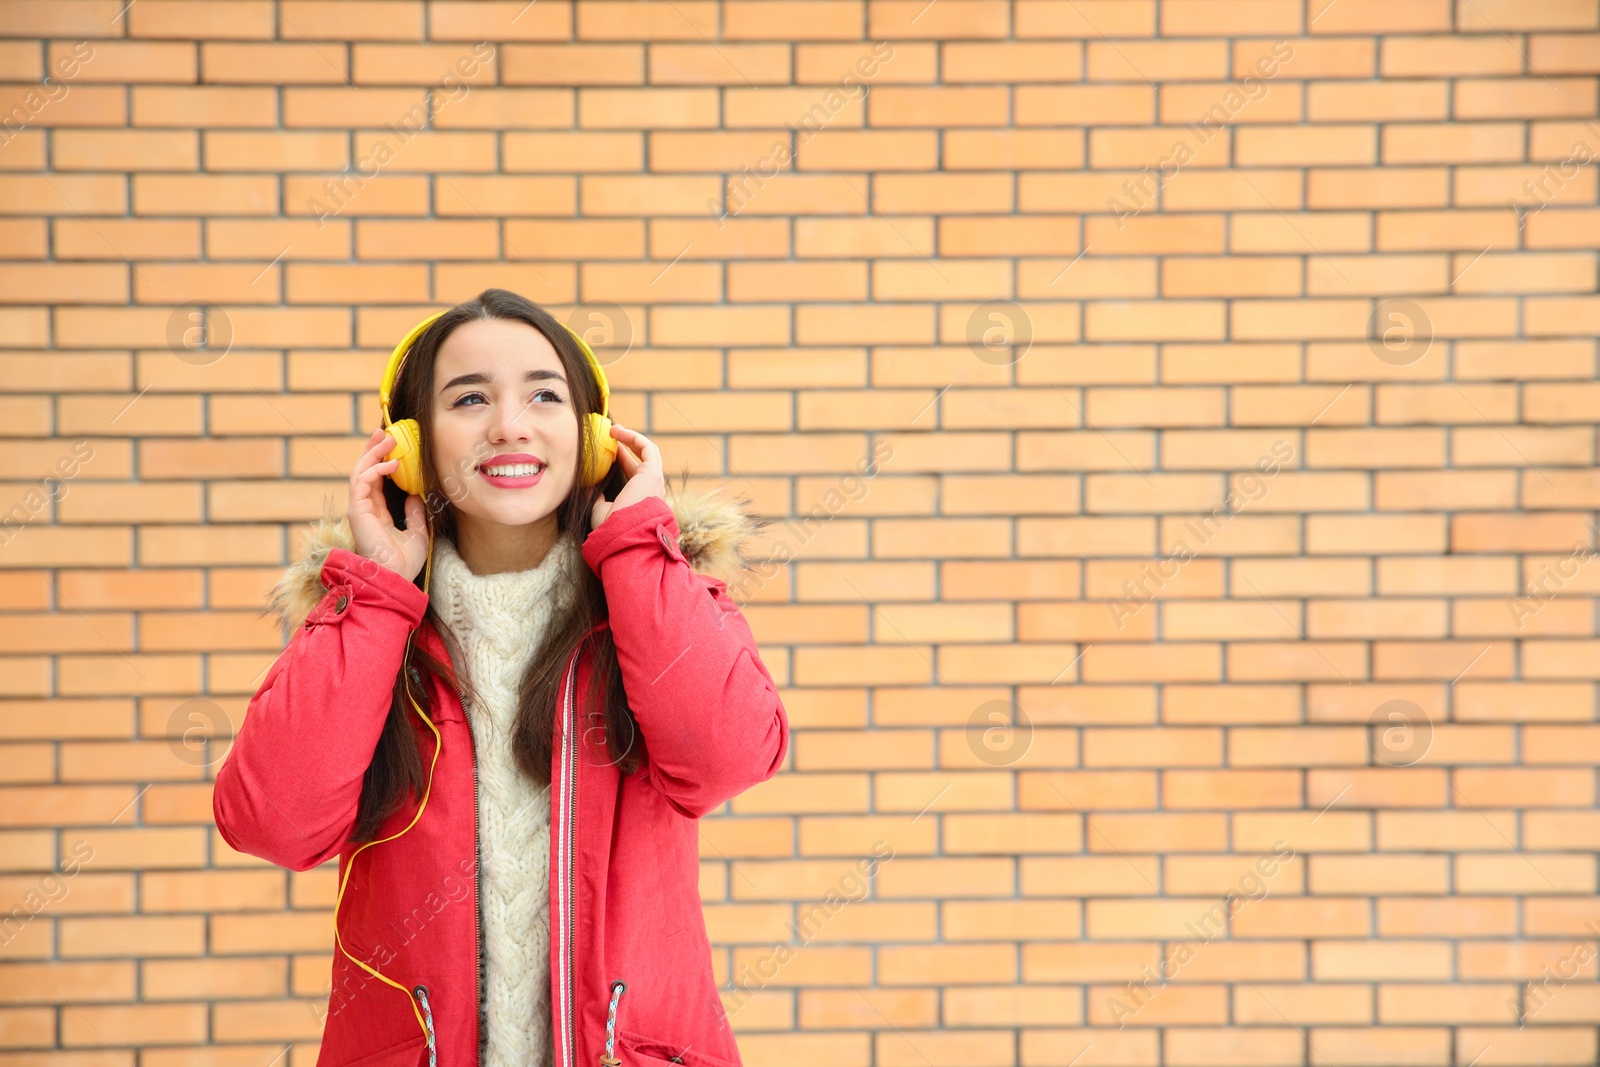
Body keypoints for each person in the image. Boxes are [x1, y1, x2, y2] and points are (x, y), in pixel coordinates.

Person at [212, 287, 789, 1067]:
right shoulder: (368, 624)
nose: (510, 423)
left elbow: (727, 757)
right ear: (410, 446)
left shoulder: (657, 600)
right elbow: (272, 820)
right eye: (470, 397)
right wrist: (378, 593)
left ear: (591, 437)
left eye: (543, 394)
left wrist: (638, 549)